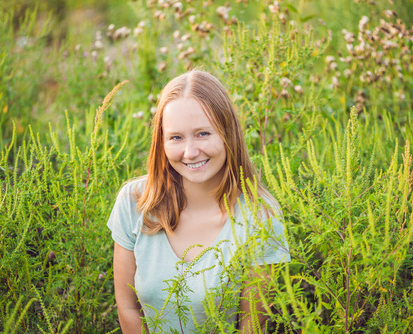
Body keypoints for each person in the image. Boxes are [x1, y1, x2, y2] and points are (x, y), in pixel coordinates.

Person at [107, 70, 290, 333]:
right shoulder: (134, 203)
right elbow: (128, 308)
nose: (190, 152)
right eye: (176, 137)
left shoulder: (261, 217)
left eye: (203, 133)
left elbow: (252, 328)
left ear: (228, 133)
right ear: (162, 141)